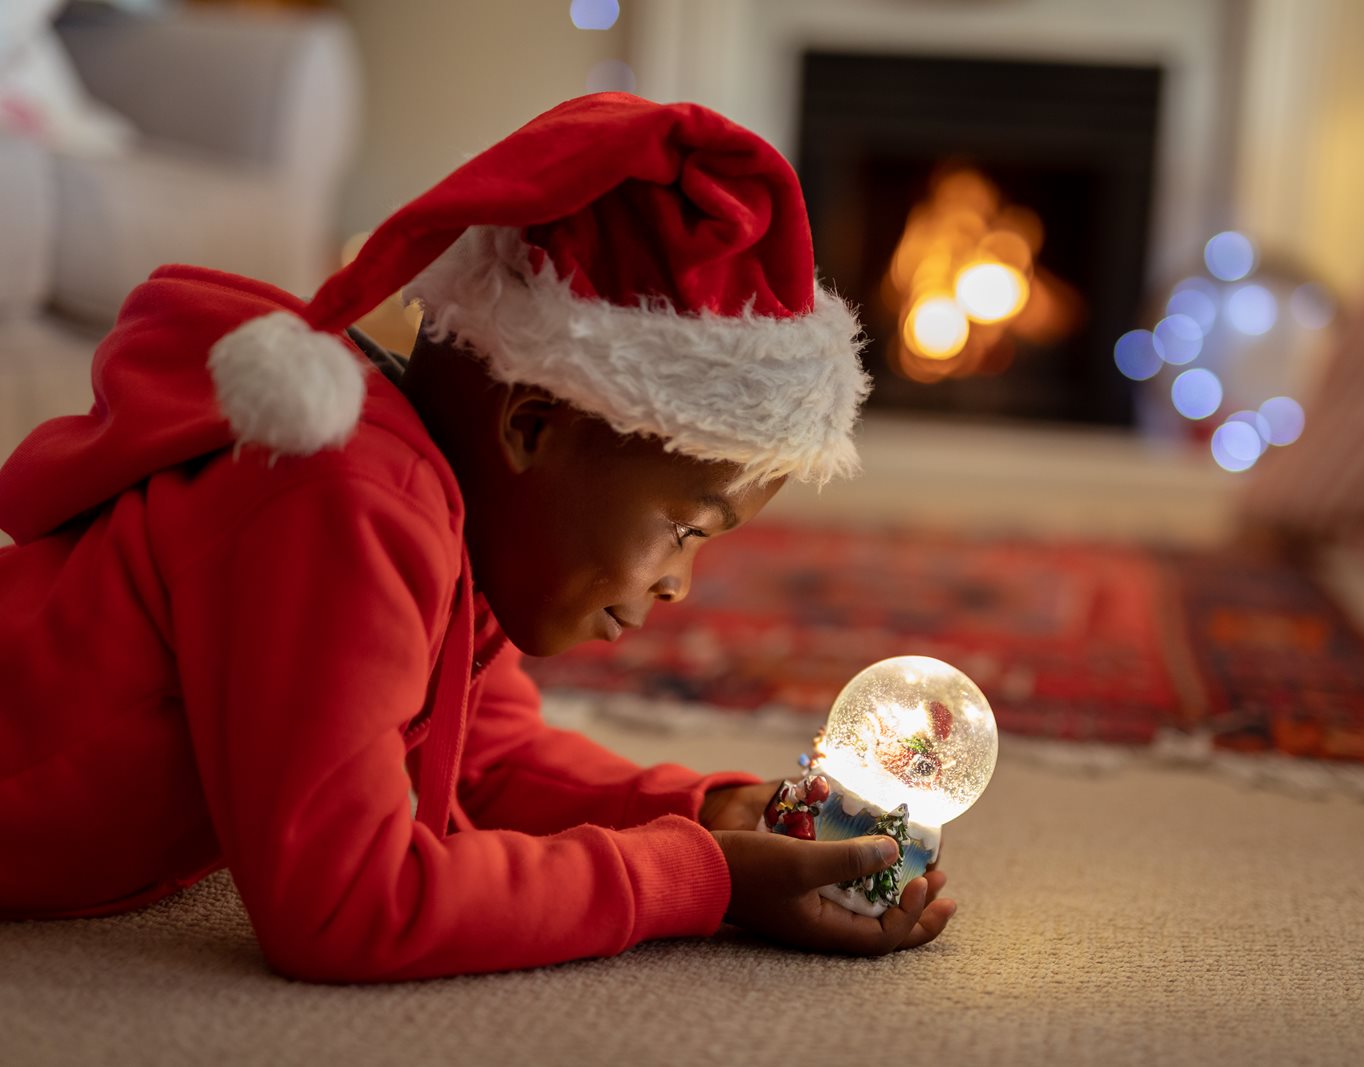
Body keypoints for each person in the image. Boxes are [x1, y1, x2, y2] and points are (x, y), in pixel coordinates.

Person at [0, 93, 955, 981]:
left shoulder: (463, 520)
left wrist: (703, 812)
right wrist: (694, 881)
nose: (679, 585)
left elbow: (483, 765)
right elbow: (345, 907)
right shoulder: (346, 499)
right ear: (532, 426)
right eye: (683, 527)